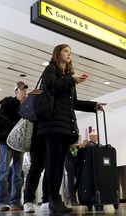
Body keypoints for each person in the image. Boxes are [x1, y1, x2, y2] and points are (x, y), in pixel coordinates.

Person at [37, 44, 105, 214]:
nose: (69, 54)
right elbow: (50, 86)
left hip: (65, 126)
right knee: (53, 162)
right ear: (57, 53)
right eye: (66, 51)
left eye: (70, 52)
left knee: (58, 163)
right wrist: (72, 79)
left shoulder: (68, 76)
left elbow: (74, 103)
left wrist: (93, 105)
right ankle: (53, 199)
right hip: (52, 124)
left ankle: (55, 200)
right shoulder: (51, 70)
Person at [0, 81, 28, 211]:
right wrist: (19, 104)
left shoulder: (26, 104)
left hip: (20, 142)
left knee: (18, 173)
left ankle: (15, 201)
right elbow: (3, 117)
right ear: (16, 91)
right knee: (3, 171)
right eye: (21, 90)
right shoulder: (8, 101)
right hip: (6, 140)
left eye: (25, 90)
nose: (24, 92)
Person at [23, 128, 49, 213]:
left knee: (50, 169)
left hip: (53, 133)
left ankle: (47, 199)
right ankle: (28, 200)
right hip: (38, 134)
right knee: (36, 168)